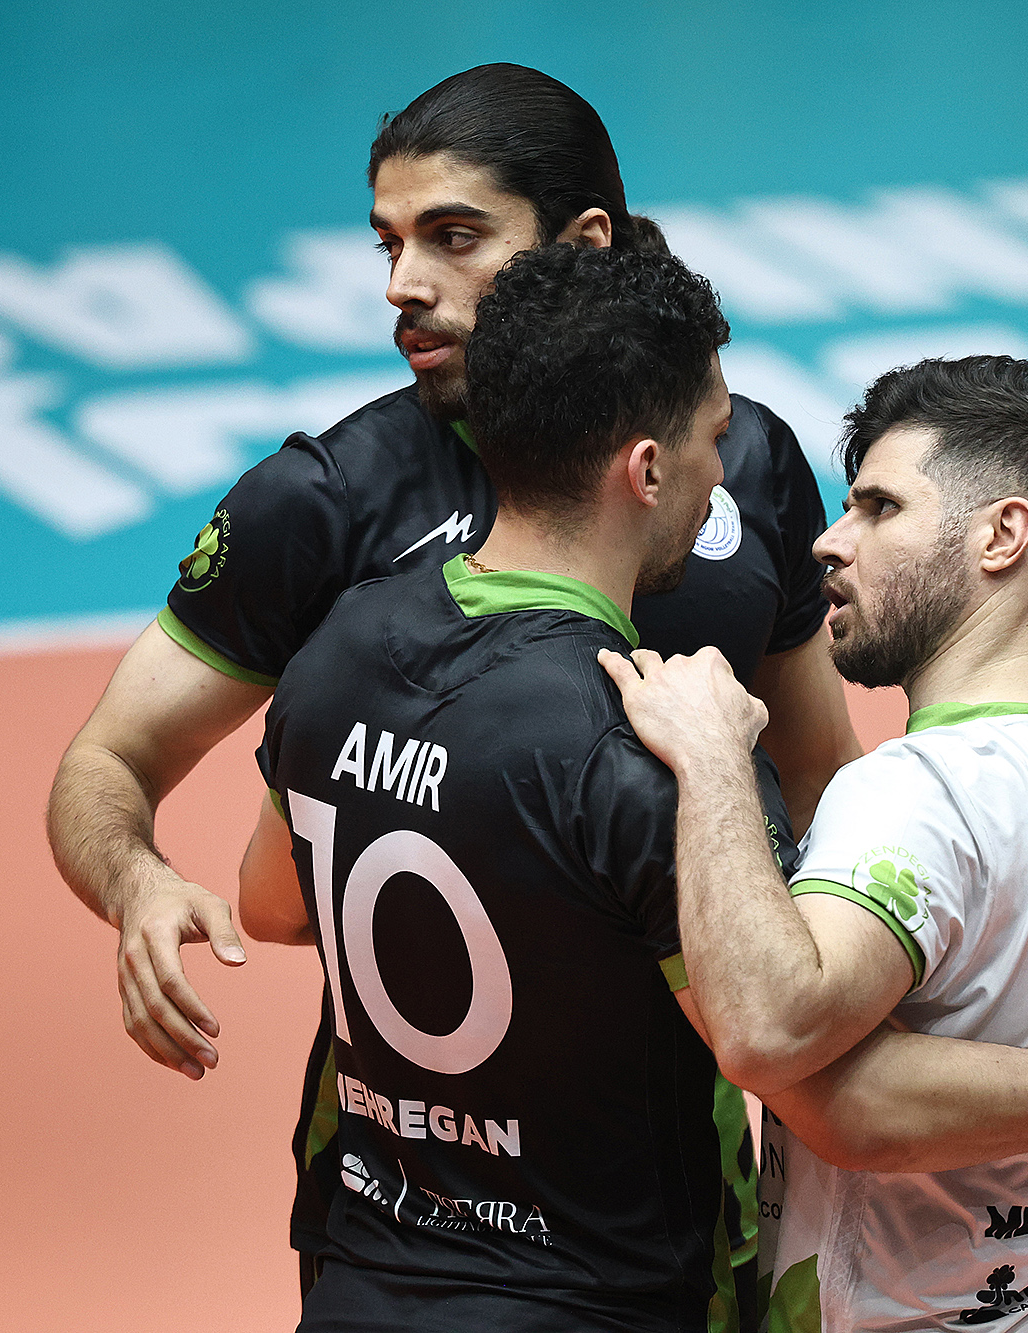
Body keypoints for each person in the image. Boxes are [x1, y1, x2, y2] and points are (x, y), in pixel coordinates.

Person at [43, 63, 858, 1320]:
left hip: (667, 1193)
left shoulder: (736, 463)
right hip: (407, 1191)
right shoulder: (325, 501)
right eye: (389, 242)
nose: (402, 284)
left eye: (453, 236)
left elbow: (818, 775)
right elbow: (107, 761)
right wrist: (136, 880)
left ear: (583, 244)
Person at [597, 356, 1028, 1330]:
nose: (829, 542)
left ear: (1002, 534)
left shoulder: (913, 796)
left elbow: (769, 1032)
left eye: (879, 508)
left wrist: (712, 758)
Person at [238, 239, 774, 1329]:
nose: (722, 473)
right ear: (646, 470)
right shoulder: (663, 753)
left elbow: (269, 904)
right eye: (714, 438)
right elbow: (781, 1045)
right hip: (603, 1304)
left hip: (359, 1288)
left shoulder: (338, 646)